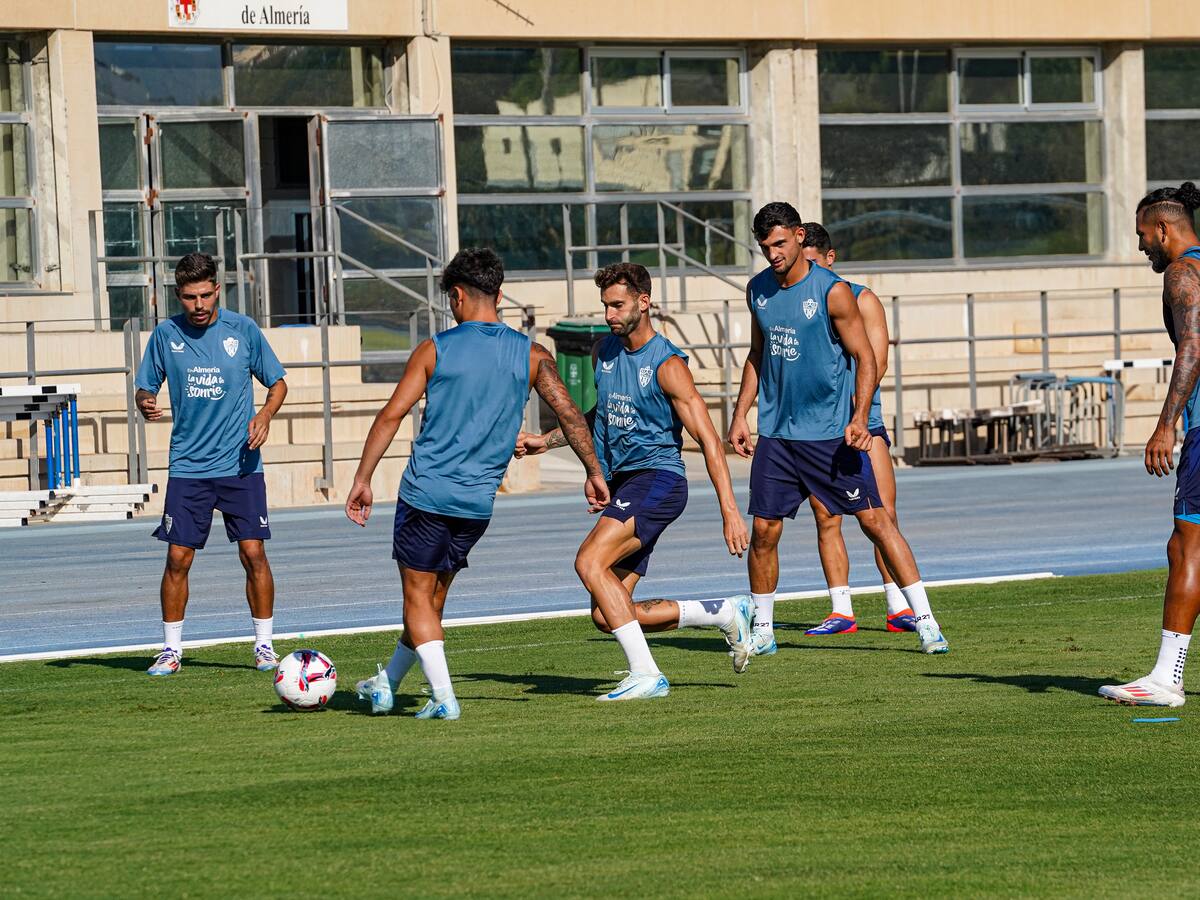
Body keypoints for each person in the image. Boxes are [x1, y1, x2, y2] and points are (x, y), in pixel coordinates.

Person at [347, 248, 608, 720]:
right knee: (431, 600)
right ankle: (387, 684)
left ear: (457, 295)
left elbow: (391, 416)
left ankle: (444, 698)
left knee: (416, 599)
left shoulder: (435, 349)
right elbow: (571, 414)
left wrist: (362, 478)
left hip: (427, 495)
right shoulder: (533, 355)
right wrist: (592, 471)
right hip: (476, 506)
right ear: (500, 295)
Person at [516, 263, 753, 701]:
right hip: (628, 484)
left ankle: (646, 674)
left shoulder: (668, 365)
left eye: (618, 305)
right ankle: (722, 613)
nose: (609, 314)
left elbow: (708, 439)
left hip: (659, 480)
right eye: (605, 305)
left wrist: (730, 511)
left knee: (588, 562)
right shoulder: (603, 351)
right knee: (607, 614)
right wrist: (544, 442)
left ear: (644, 302)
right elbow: (598, 416)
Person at [727, 202, 948, 656]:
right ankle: (763, 630)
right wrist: (739, 414)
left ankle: (926, 621)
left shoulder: (834, 292)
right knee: (764, 530)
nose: (773, 254)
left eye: (780, 243)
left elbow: (866, 358)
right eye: (765, 247)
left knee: (876, 521)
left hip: (828, 434)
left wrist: (859, 417)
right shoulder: (758, 290)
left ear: (799, 236)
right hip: (777, 436)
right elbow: (757, 354)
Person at [134, 252, 288, 676]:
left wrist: (265, 415)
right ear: (178, 295)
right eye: (190, 297)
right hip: (189, 467)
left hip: (241, 466)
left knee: (253, 553)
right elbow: (144, 388)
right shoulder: (165, 335)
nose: (199, 305)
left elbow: (278, 384)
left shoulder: (243, 329)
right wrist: (146, 401)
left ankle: (264, 645)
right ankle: (170, 650)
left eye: (205, 295)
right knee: (177, 558)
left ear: (218, 289)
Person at [1100, 181, 1200, 708]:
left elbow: (1193, 347)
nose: (1140, 245)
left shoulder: (1183, 272)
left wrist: (1166, 424)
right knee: (1181, 547)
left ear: (1163, 229)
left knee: (1187, 546)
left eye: (1142, 234)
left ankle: (1166, 679)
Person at [798, 222, 918, 636]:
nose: (807, 271)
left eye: (813, 262)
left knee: (883, 513)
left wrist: (857, 412)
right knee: (825, 515)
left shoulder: (861, 299)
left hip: (863, 421)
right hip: (817, 428)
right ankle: (841, 610)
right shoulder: (795, 301)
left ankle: (897, 605)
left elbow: (876, 362)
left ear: (830, 258)